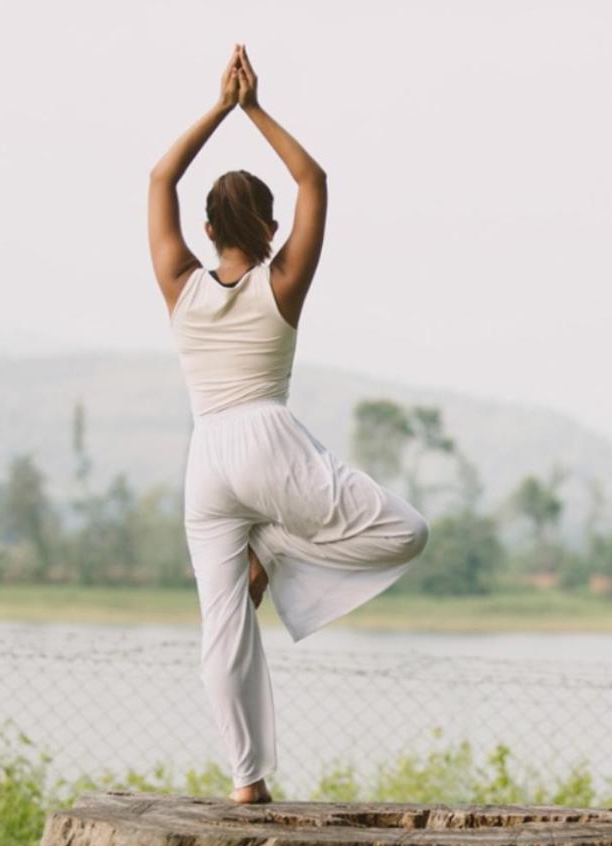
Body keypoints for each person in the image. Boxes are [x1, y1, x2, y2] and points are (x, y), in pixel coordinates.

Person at [147, 43, 430, 804]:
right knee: (405, 532)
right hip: (268, 441)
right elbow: (315, 179)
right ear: (269, 225)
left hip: (206, 456)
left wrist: (217, 107)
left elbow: (160, 178)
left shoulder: (179, 285)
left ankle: (248, 782)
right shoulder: (283, 283)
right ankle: (271, 547)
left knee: (222, 625)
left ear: (206, 231)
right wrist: (254, 108)